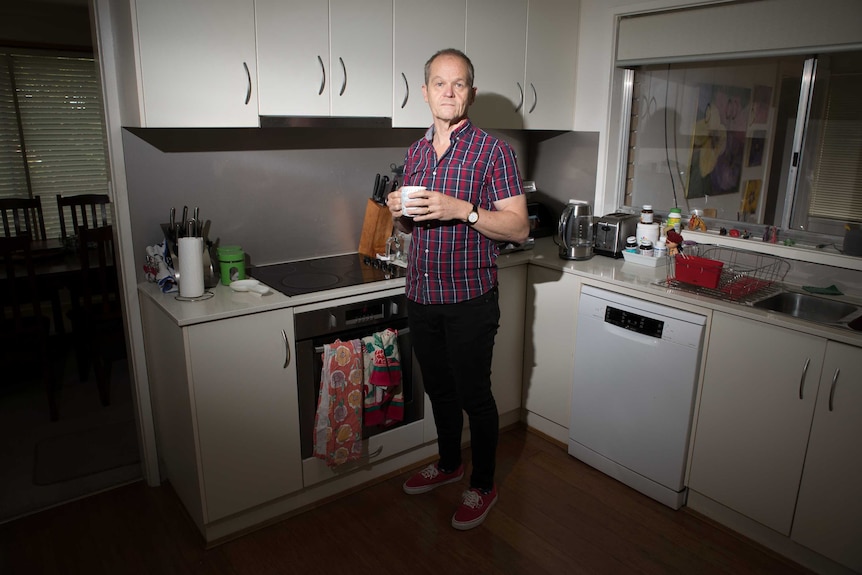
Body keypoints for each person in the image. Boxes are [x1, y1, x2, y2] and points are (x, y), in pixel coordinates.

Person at [386, 48, 529, 530]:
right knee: (440, 393)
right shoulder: (416, 152)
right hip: (422, 296)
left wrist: (462, 209)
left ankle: (482, 485)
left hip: (469, 299)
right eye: (439, 83)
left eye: (459, 83)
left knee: (475, 397)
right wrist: (399, 212)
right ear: (423, 91)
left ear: (471, 90)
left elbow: (518, 228)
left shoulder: (494, 151)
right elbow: (411, 228)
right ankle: (449, 465)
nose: (449, 92)